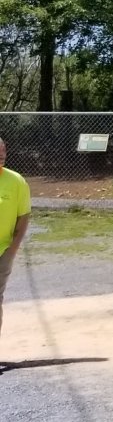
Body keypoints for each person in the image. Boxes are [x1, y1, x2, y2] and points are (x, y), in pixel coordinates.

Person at [0, 137, 28, 342]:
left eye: (3, 150)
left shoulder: (16, 181)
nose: (1, 155)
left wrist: (13, 249)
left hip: (3, 251)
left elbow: (23, 216)